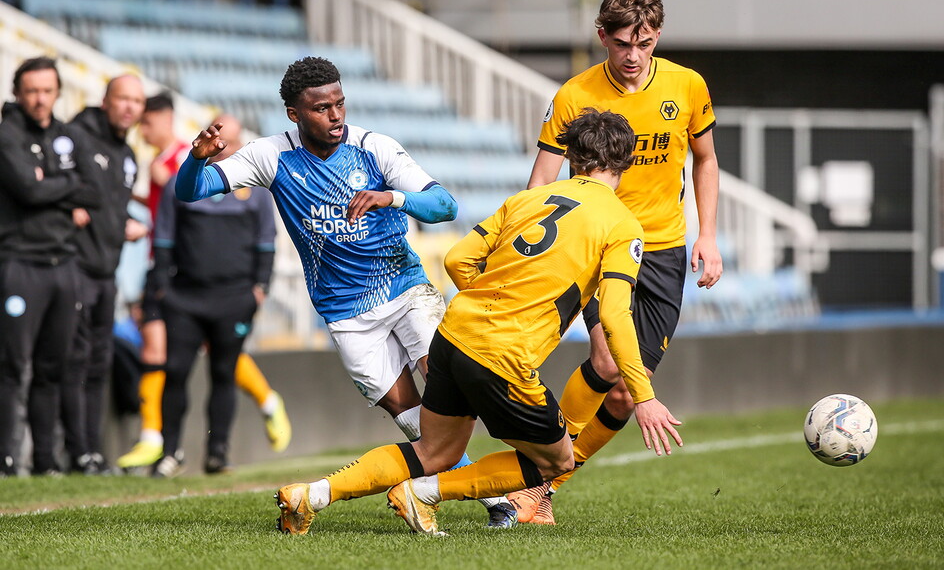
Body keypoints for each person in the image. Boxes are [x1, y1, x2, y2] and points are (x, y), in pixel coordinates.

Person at [272, 108, 683, 536]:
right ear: (628, 161)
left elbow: (457, 259)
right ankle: (423, 494)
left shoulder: (527, 200)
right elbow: (615, 315)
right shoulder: (622, 224)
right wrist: (644, 396)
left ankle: (314, 494)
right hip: (502, 354)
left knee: (434, 449)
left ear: (571, 158)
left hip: (452, 335)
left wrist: (490, 299)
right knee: (557, 461)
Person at [176, 56, 513, 526]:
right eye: (321, 108)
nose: (335, 116)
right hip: (345, 312)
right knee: (409, 415)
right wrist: (197, 158)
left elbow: (443, 205)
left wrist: (390, 197)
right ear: (294, 113)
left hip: (406, 288)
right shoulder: (271, 155)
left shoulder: (375, 148)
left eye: (339, 104)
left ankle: (511, 490)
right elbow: (191, 192)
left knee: (451, 393)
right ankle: (484, 496)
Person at [508, 0, 723, 525]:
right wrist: (529, 237)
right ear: (603, 36)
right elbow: (542, 177)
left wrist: (708, 235)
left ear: (657, 38)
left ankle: (538, 484)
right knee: (606, 361)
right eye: (624, 42)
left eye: (645, 43)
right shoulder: (574, 96)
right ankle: (531, 480)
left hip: (666, 250)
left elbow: (706, 159)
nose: (633, 55)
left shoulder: (687, 86)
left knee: (627, 394)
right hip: (600, 246)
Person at [117, 109, 291, 471]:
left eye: (234, 140)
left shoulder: (255, 192)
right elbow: (163, 235)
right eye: (220, 139)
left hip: (233, 299)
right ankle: (169, 452)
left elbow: (266, 244)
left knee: (223, 374)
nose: (227, 147)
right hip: (185, 298)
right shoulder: (183, 183)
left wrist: (259, 289)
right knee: (176, 371)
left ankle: (218, 452)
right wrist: (163, 287)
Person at [0, 56, 100, 476]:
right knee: (11, 365)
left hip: (65, 266)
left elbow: (94, 191)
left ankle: (45, 460)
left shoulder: (71, 135)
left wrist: (49, 186)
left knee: (52, 367)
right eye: (32, 91)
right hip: (20, 263)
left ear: (57, 93)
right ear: (18, 94)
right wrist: (65, 190)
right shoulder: (7, 134)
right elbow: (25, 189)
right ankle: (6, 458)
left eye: (47, 90)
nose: (40, 99)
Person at [62, 74, 148, 475]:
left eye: (136, 101)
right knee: (73, 362)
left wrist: (126, 223)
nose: (129, 107)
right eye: (123, 99)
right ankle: (73, 451)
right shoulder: (75, 137)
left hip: (106, 272)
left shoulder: (128, 154)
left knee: (99, 363)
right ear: (106, 100)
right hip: (73, 267)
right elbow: (56, 189)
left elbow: (108, 206)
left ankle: (93, 453)